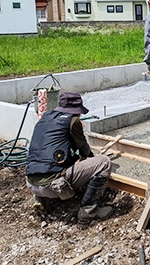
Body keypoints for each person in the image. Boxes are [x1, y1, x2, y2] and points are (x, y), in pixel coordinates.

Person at [26, 92, 113, 223]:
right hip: (54, 185)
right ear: (76, 111)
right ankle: (89, 211)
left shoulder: (44, 118)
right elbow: (84, 149)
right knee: (104, 162)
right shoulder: (73, 121)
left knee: (50, 162)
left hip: (31, 182)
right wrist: (91, 161)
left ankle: (41, 200)